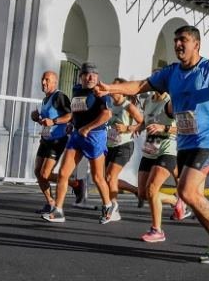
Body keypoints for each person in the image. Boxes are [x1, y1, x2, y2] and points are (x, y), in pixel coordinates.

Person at [95, 24, 209, 264]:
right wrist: (110, 88)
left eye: (183, 40)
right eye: (176, 40)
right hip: (185, 141)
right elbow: (140, 86)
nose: (178, 44)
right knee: (190, 194)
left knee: (187, 190)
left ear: (196, 45)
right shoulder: (171, 73)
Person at [41, 62, 116, 224]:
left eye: (94, 75)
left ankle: (108, 205)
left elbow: (106, 115)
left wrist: (88, 128)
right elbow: (76, 110)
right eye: (87, 75)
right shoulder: (76, 89)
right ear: (80, 76)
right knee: (63, 173)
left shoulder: (100, 92)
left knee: (97, 177)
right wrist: (72, 124)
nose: (90, 78)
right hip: (77, 135)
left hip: (95, 136)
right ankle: (59, 210)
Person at [30, 71, 88, 214]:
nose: (44, 82)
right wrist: (36, 118)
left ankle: (76, 183)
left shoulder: (59, 96)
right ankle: (50, 202)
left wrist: (54, 121)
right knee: (38, 172)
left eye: (47, 80)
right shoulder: (45, 99)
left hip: (57, 140)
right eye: (43, 79)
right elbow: (47, 121)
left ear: (55, 82)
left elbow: (70, 115)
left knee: (45, 174)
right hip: (45, 139)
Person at [138, 89, 185, 243]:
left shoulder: (170, 103)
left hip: (167, 147)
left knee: (152, 189)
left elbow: (183, 128)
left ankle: (157, 230)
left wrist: (163, 128)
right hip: (151, 146)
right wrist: (138, 127)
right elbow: (146, 120)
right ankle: (175, 200)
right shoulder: (148, 100)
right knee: (143, 193)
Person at [105, 90, 144, 214]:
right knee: (107, 178)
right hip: (111, 145)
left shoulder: (128, 106)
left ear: (122, 93)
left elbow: (143, 123)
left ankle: (113, 207)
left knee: (110, 176)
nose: (111, 91)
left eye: (115, 89)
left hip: (124, 145)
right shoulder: (110, 105)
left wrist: (127, 128)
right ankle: (136, 191)